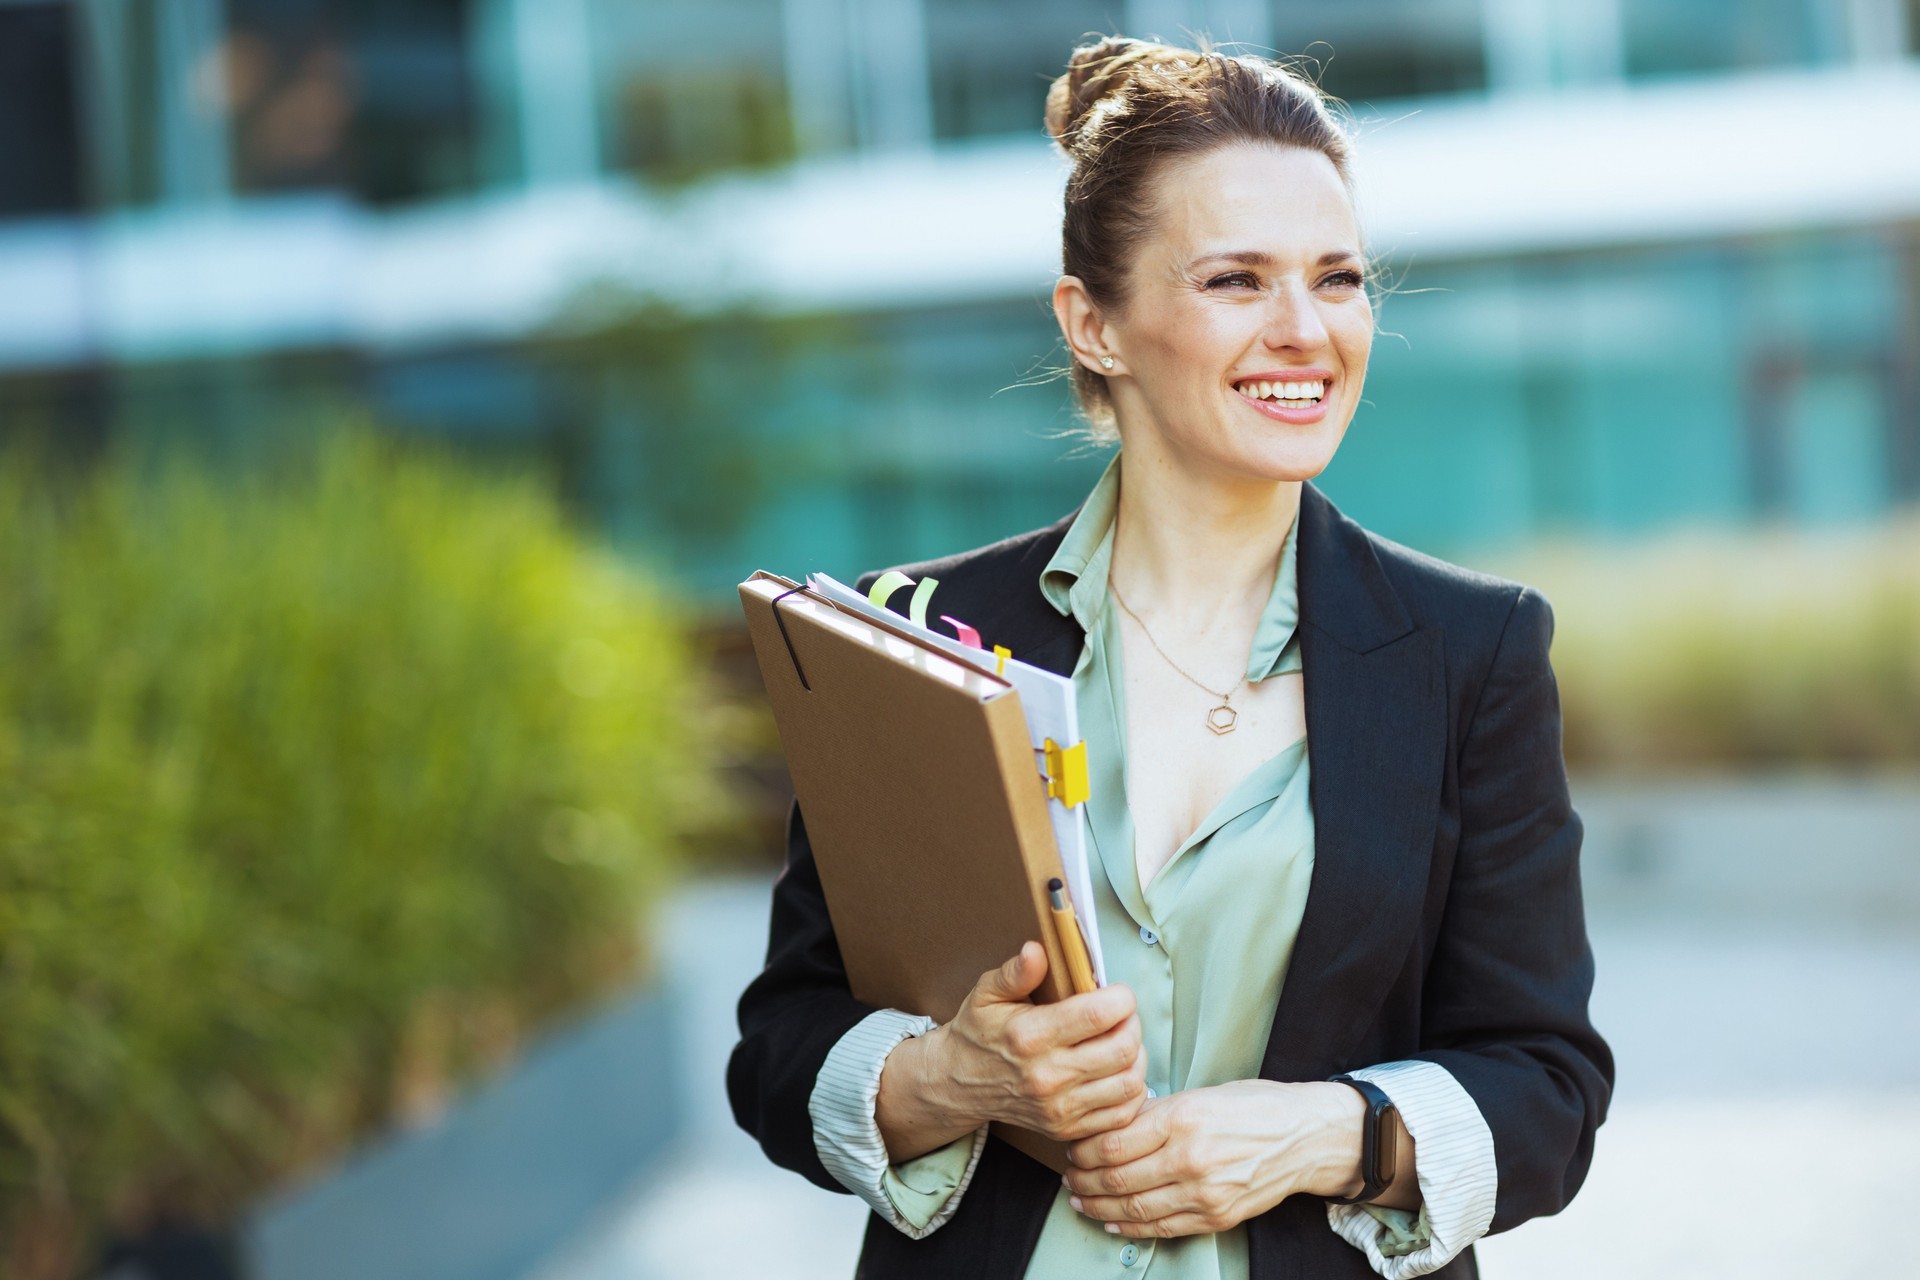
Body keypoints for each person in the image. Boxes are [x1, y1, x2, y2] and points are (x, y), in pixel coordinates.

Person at [727, 33, 1613, 1280]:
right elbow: (782, 1046)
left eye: (1340, 278)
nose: (1307, 330)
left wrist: (1327, 1132)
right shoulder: (912, 629)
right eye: (1236, 281)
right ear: (1094, 323)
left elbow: (1551, 1086)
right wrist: (948, 1075)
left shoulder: (1476, 651)